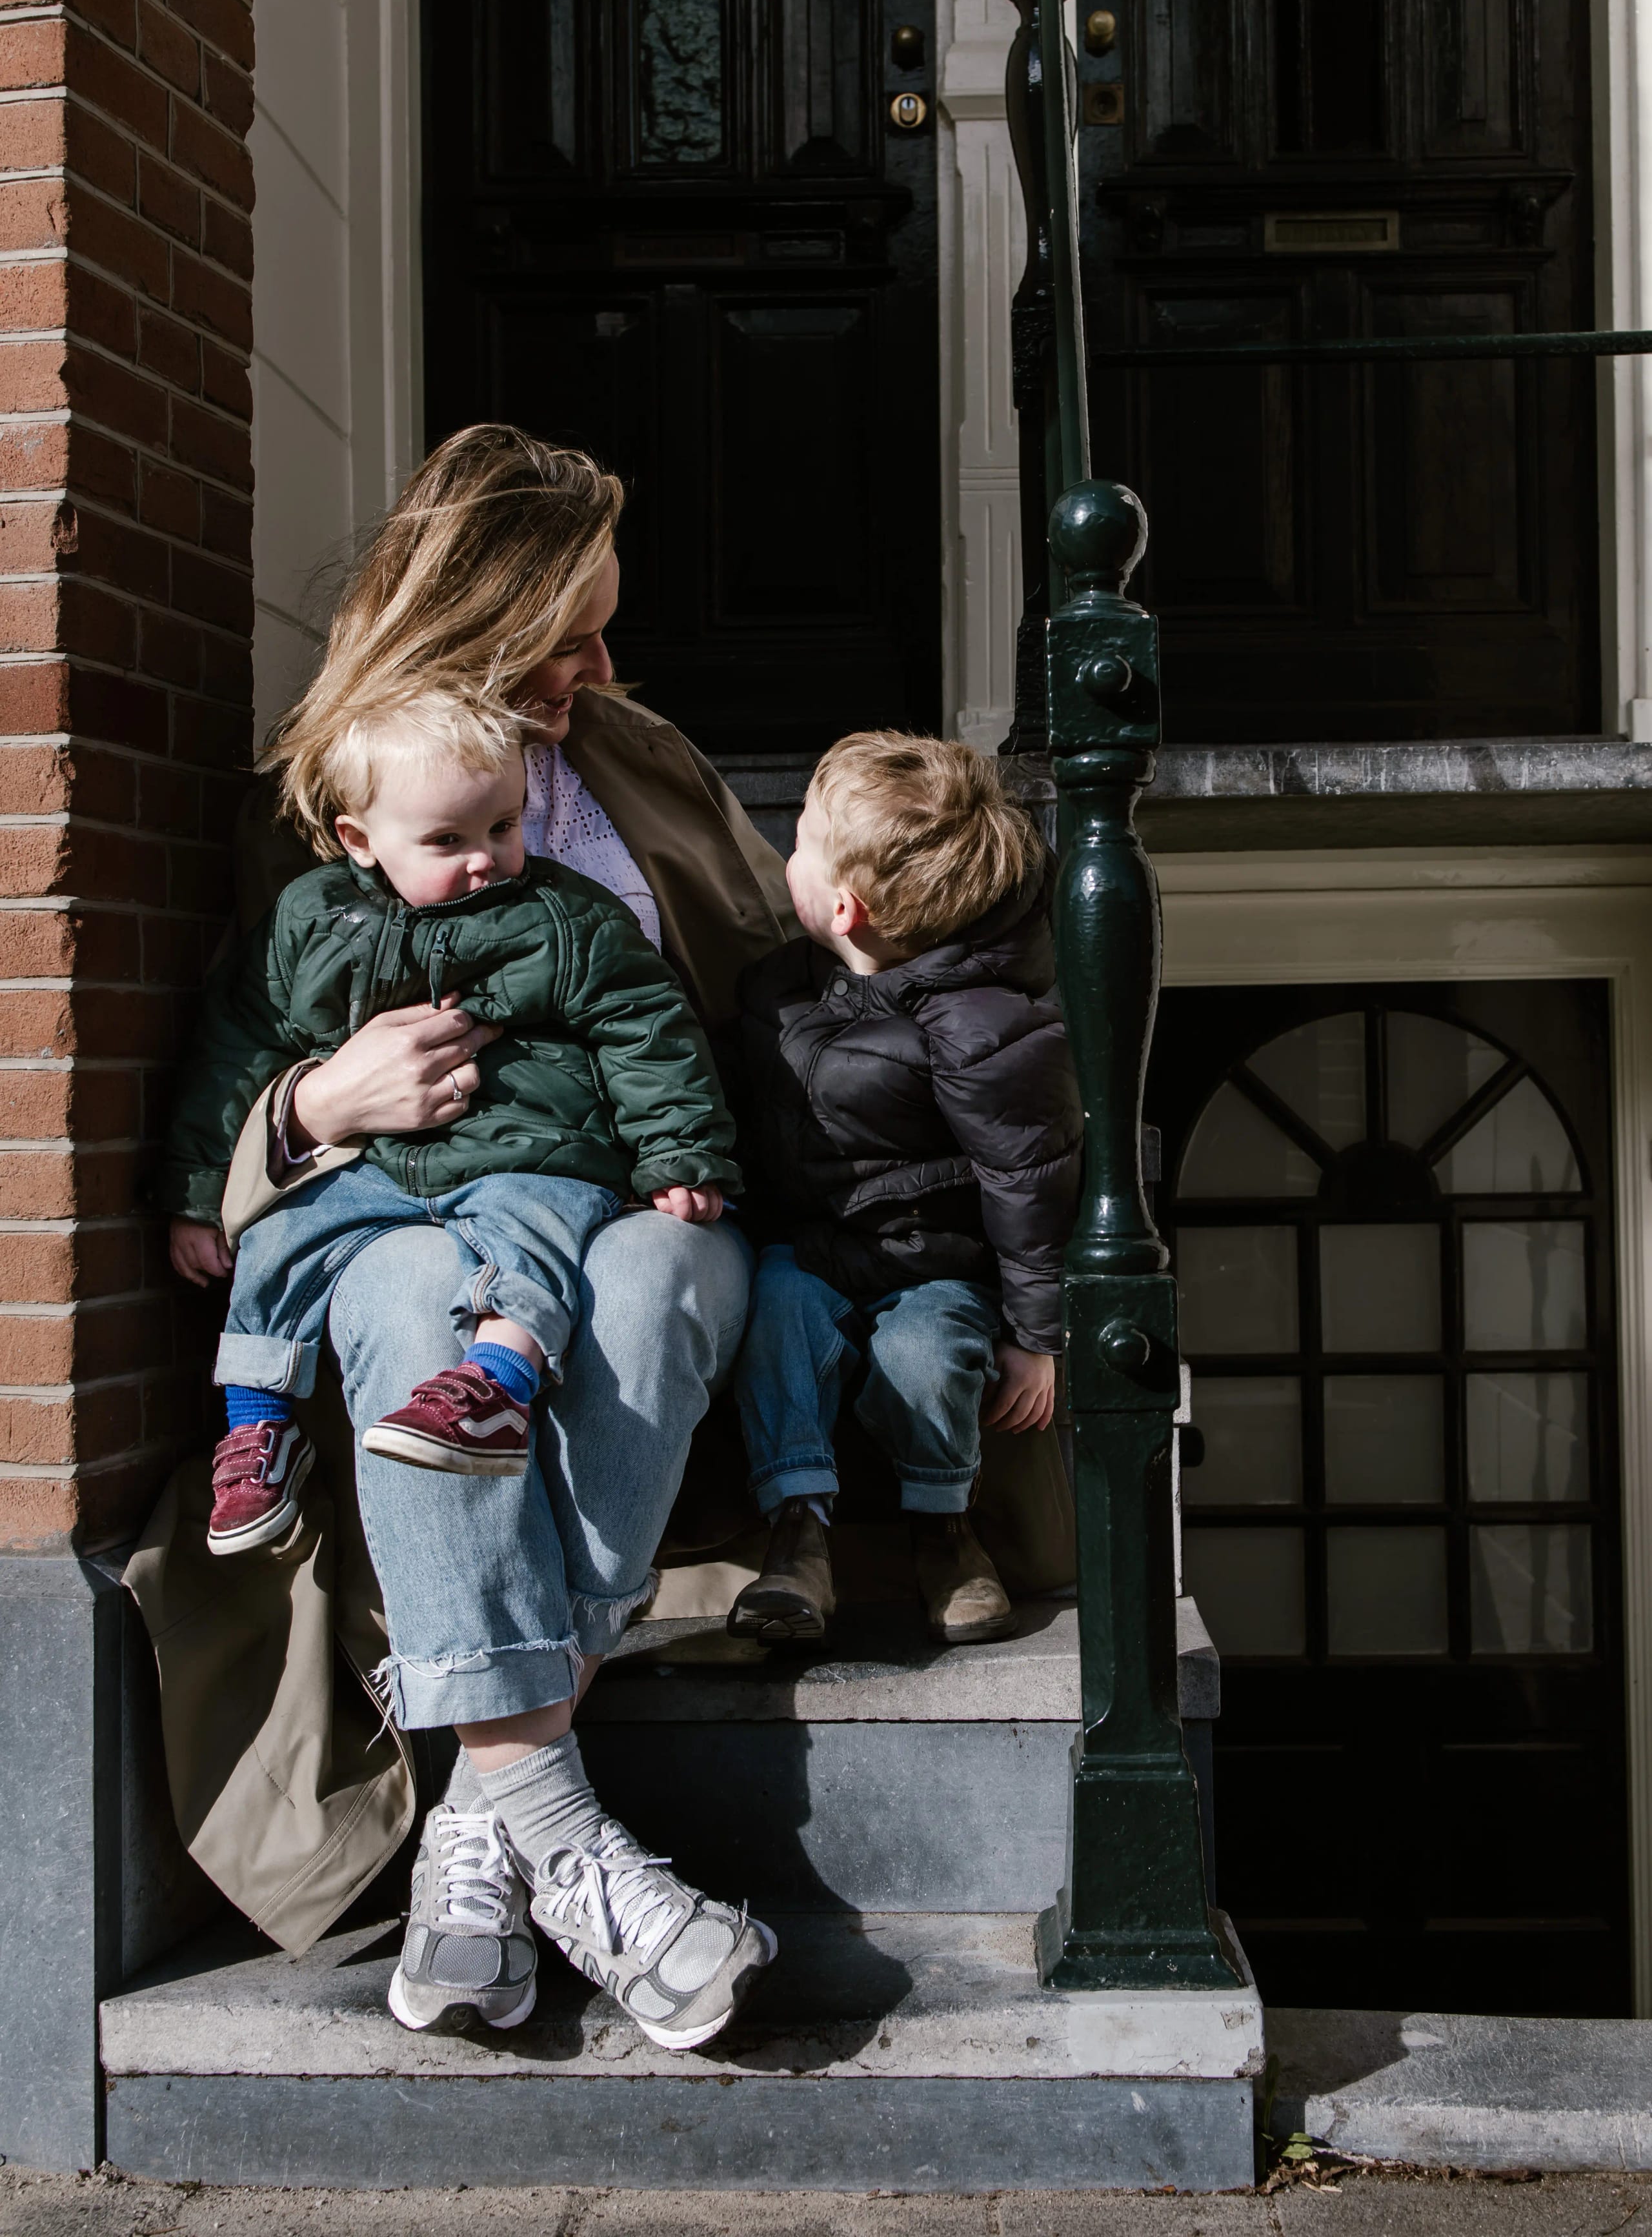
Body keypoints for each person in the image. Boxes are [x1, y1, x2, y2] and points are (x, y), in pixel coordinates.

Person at [149, 425, 795, 2050]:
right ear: (467, 617)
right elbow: (232, 1057)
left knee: (646, 1285)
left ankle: (483, 1826)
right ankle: (552, 1836)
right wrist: (316, 1106)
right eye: (567, 630)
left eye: (603, 624)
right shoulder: (315, 813)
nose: (600, 661)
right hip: (392, 1219)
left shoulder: (638, 768)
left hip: (637, 1204)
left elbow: (762, 1002)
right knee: (419, 1293)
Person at [160, 686, 738, 1555]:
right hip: (375, 1165)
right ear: (361, 840)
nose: (488, 860)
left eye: (504, 827)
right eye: (448, 841)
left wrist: (678, 1151)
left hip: (530, 1149)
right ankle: (256, 1425)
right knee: (280, 1242)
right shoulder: (313, 921)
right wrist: (200, 1190)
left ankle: (495, 1384)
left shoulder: (564, 918)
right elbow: (238, 1045)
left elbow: (647, 1027)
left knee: (541, 1230)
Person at [726, 730, 1082, 1647]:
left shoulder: (981, 1025)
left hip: (937, 1261)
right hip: (807, 1248)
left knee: (925, 1357)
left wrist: (1039, 1338)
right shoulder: (775, 989)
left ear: (843, 906)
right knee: (775, 1319)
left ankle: (945, 1531)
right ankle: (798, 1536)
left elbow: (1030, 1181)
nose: (787, 854)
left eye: (799, 844)